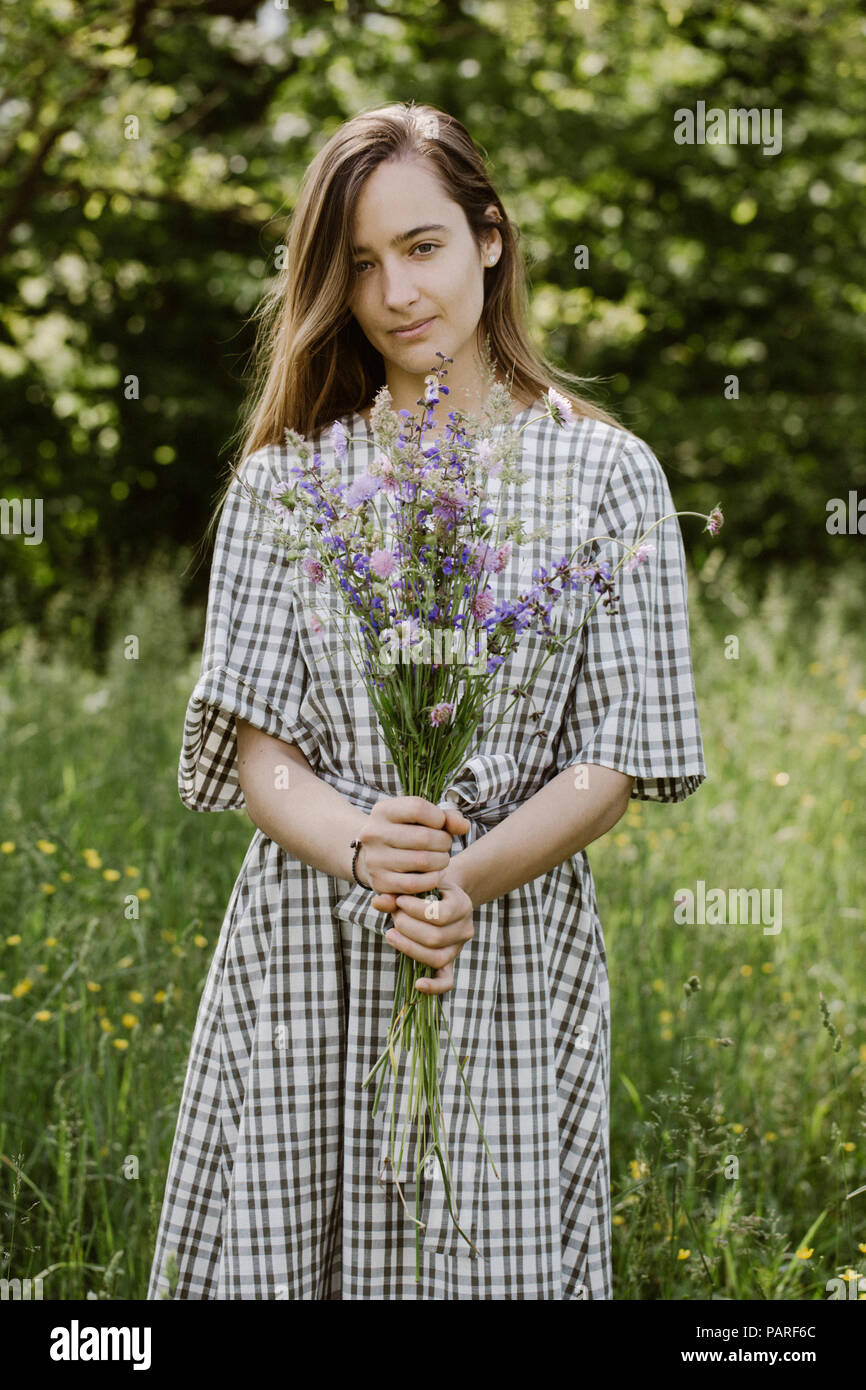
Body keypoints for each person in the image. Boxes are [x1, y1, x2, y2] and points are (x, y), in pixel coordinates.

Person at [147, 100, 706, 1301]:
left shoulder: (606, 474)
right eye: (356, 265)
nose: (396, 290)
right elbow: (261, 752)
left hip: (497, 946)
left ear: (488, 238)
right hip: (313, 939)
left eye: (422, 246)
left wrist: (457, 879)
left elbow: (611, 759)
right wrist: (365, 847)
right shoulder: (286, 478)